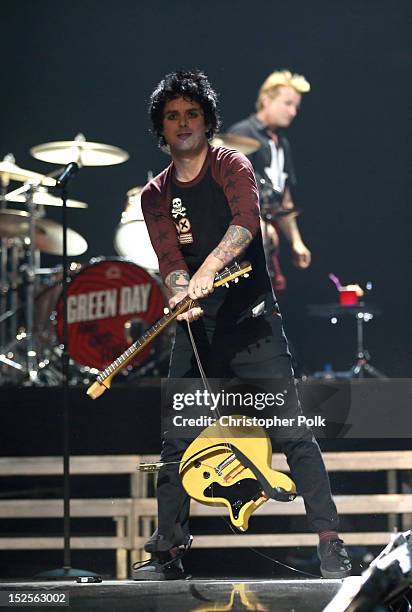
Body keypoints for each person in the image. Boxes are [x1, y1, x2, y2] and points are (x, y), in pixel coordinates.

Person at [132, 70, 351, 581]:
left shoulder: (233, 164)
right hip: (198, 333)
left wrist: (207, 270)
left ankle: (330, 542)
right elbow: (170, 258)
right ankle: (168, 551)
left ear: (207, 121)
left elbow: (247, 221)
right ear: (160, 128)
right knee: (175, 441)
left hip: (253, 327)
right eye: (172, 117)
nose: (183, 124)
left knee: (295, 434)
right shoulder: (154, 194)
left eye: (191, 114)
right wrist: (181, 293)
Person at [229, 70, 312, 298]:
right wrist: (257, 224)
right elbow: (232, 192)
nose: (293, 112)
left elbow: (283, 197)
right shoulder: (242, 134)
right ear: (266, 100)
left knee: (270, 298)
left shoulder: (282, 143)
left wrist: (296, 241)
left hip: (269, 232)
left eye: (296, 106)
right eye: (287, 103)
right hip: (245, 235)